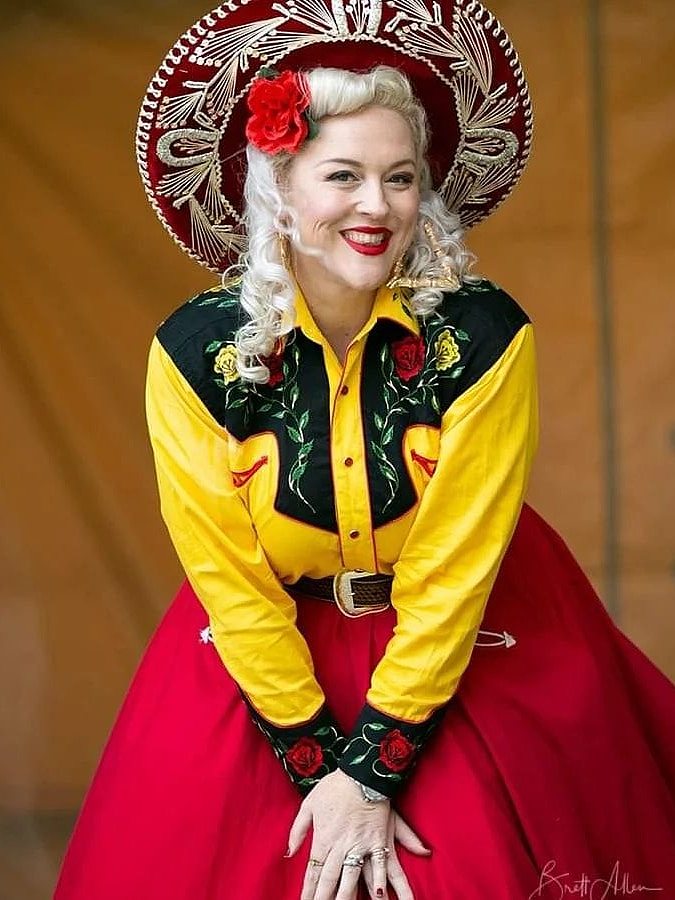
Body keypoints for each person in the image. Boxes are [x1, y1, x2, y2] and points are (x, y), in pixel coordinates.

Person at [54, 2, 675, 898]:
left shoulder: (486, 338)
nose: (374, 207)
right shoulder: (192, 355)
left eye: (399, 177)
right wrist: (324, 779)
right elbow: (227, 576)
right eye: (341, 175)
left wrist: (374, 771)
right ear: (279, 188)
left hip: (465, 639)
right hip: (267, 653)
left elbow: (455, 571)